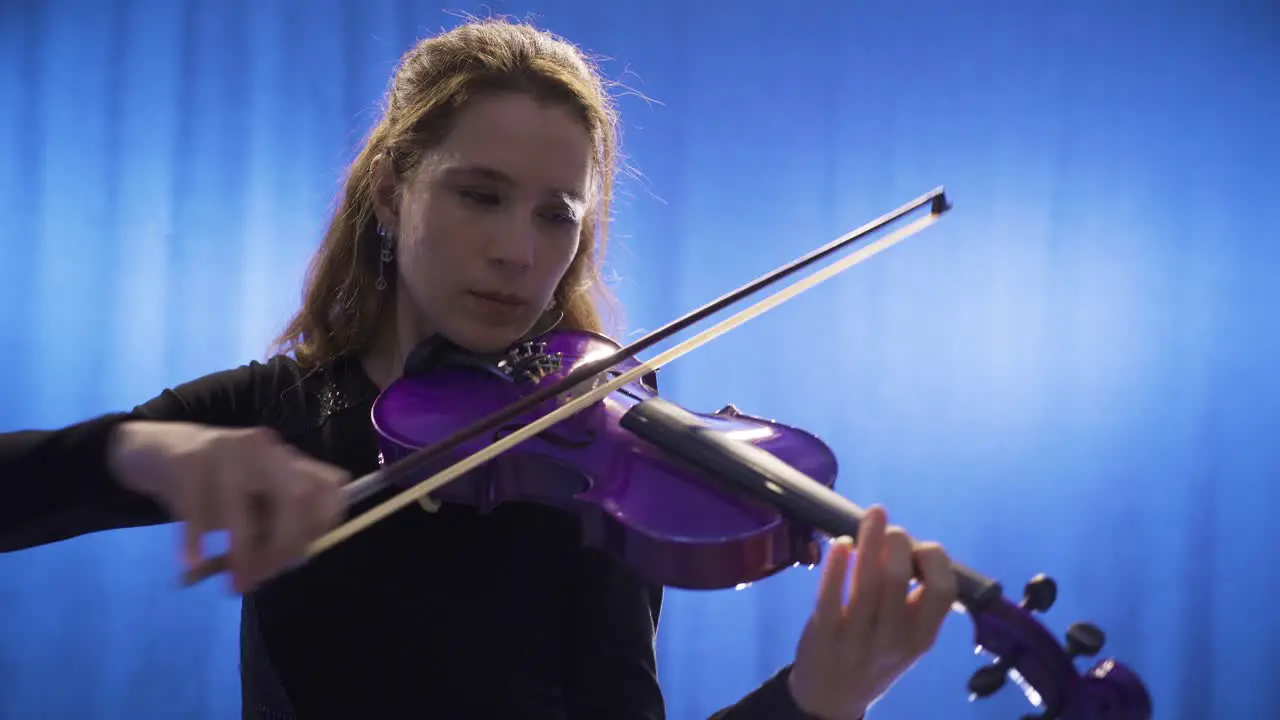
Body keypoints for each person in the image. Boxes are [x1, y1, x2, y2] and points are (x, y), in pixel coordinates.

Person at [0, 18, 959, 720]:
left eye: (556, 215)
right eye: (480, 195)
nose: (518, 251)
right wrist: (138, 452)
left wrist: (814, 702)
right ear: (390, 190)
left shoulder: (594, 436)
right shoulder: (276, 413)